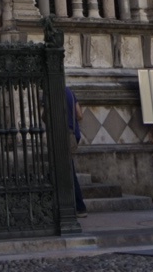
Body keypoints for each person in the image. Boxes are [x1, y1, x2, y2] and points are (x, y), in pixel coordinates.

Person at [65, 85, 86, 214]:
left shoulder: (50, 91)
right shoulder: (70, 92)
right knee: (68, 168)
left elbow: (45, 116)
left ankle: (79, 206)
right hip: (74, 134)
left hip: (62, 136)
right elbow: (79, 114)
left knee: (68, 172)